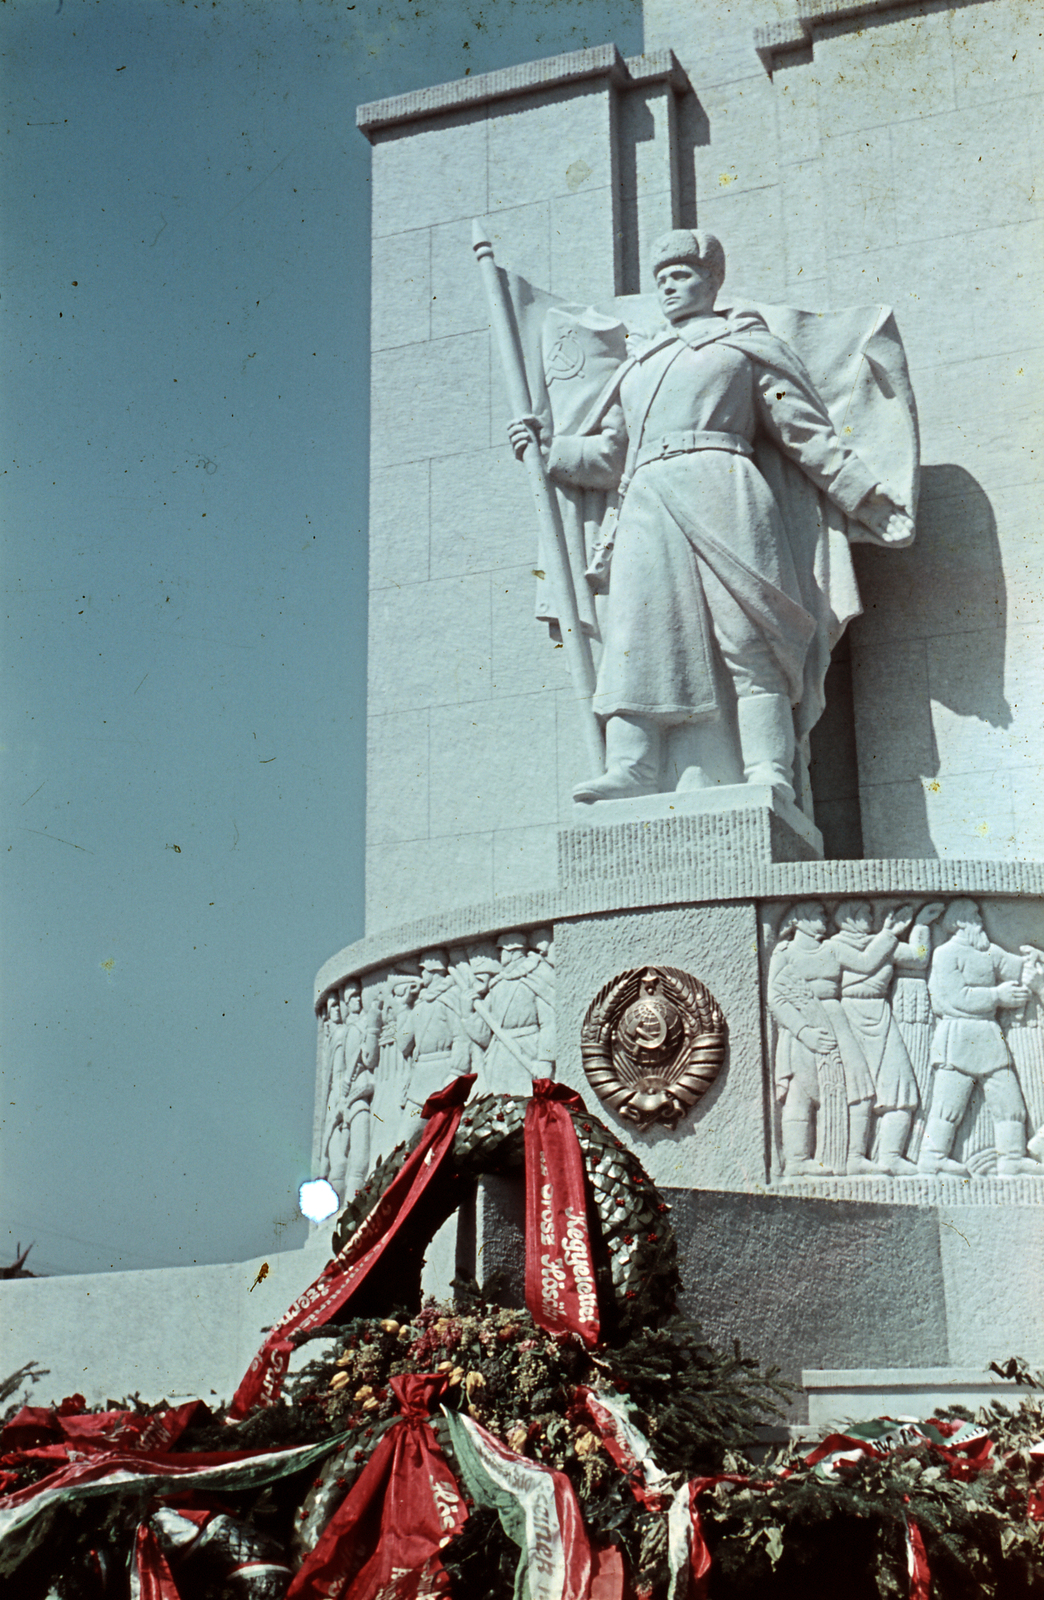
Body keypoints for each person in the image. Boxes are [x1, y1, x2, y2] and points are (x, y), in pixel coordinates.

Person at [508, 229, 913, 803]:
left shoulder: (743, 348)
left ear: (711, 280)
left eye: (682, 276)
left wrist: (864, 496)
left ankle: (770, 767)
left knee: (749, 632)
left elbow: (802, 432)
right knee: (637, 635)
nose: (669, 287)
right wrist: (548, 450)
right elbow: (609, 454)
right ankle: (633, 766)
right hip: (647, 498)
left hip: (726, 489)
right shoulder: (640, 364)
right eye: (662, 279)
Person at [919, 900, 1044, 1178]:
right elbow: (955, 997)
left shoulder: (989, 951)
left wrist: (1033, 958)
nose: (981, 922)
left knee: (1009, 1102)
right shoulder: (945, 954)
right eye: (975, 917)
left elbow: (1016, 968)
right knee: (947, 1106)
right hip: (958, 1036)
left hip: (988, 1036)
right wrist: (997, 996)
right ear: (961, 922)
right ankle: (932, 1157)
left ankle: (1012, 1158)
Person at [828, 900, 944, 1175]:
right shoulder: (836, 945)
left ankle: (890, 1156)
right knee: (858, 1091)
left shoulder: (881, 941)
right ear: (848, 916)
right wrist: (890, 933)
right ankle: (855, 1157)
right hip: (850, 1017)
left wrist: (921, 926)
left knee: (902, 1089)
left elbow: (919, 958)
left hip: (880, 1013)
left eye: (871, 913)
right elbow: (866, 962)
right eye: (864, 914)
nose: (870, 918)